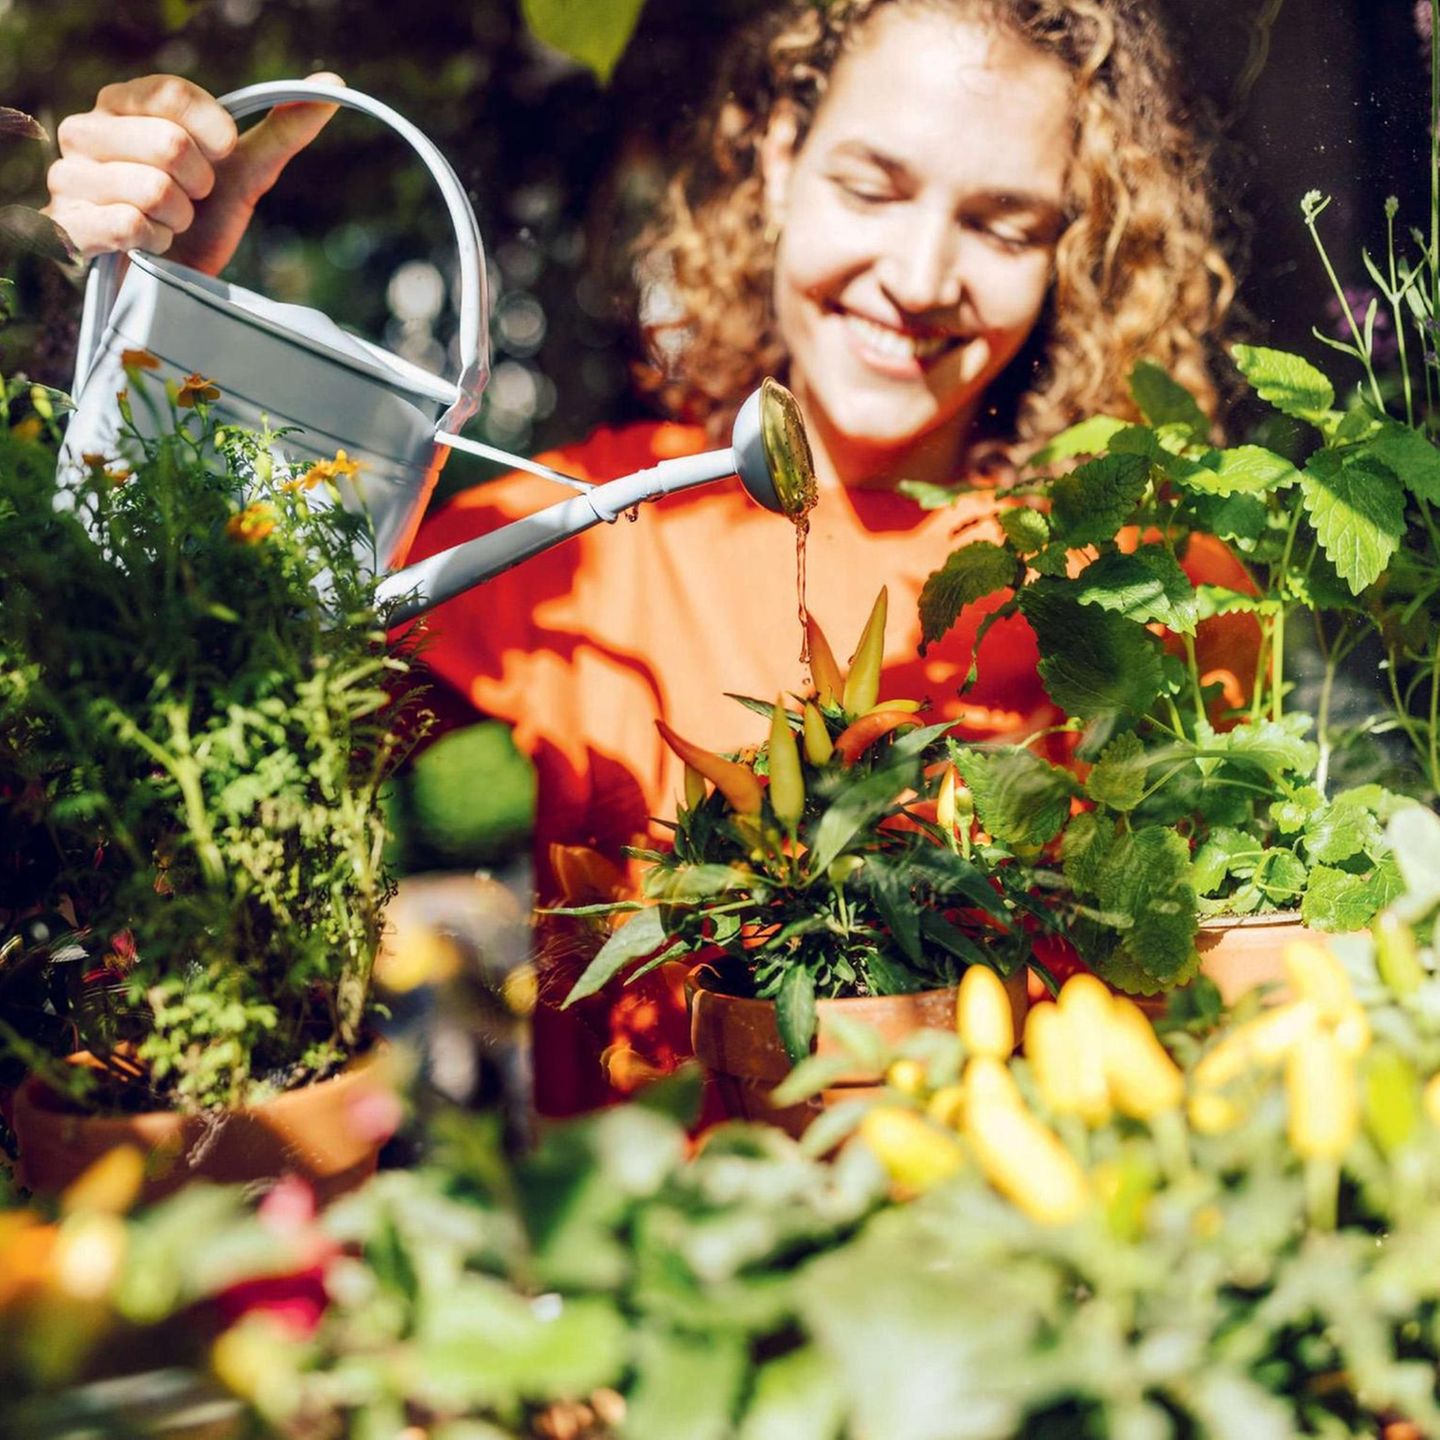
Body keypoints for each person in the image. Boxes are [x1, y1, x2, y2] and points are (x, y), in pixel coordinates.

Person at [44, 0, 1251, 1116]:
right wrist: (146, 333)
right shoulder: (581, 538)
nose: (922, 277)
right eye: (873, 188)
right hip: (641, 1305)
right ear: (780, 155)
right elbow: (166, 764)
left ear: (1072, 249)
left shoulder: (1144, 586)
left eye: (1001, 222)